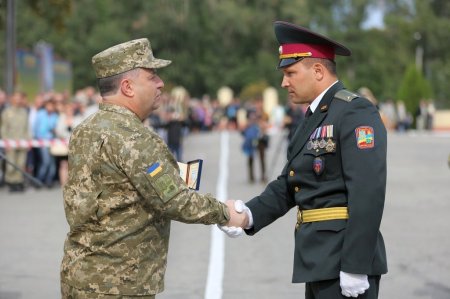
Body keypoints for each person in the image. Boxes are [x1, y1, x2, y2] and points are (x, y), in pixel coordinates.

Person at [60, 38, 246, 298]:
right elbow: (176, 200)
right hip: (119, 282)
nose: (160, 83)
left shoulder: (85, 128)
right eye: (152, 76)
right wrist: (227, 213)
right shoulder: (134, 138)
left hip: (81, 273)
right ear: (127, 87)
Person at [220, 21, 387, 299]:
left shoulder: (355, 112)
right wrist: (247, 215)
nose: (284, 82)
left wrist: (356, 265)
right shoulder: (313, 118)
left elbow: (368, 192)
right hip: (318, 260)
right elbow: (290, 183)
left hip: (344, 261)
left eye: (290, 73)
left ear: (318, 71)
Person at [0, 92, 30, 192]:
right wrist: (6, 141)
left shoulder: (24, 112)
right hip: (11, 142)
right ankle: (11, 182)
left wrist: (28, 140)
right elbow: (3, 128)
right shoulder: (6, 112)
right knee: (11, 164)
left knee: (21, 163)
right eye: (15, 98)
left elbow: (27, 128)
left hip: (22, 142)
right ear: (12, 99)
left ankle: (18, 182)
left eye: (19, 98)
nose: (18, 100)